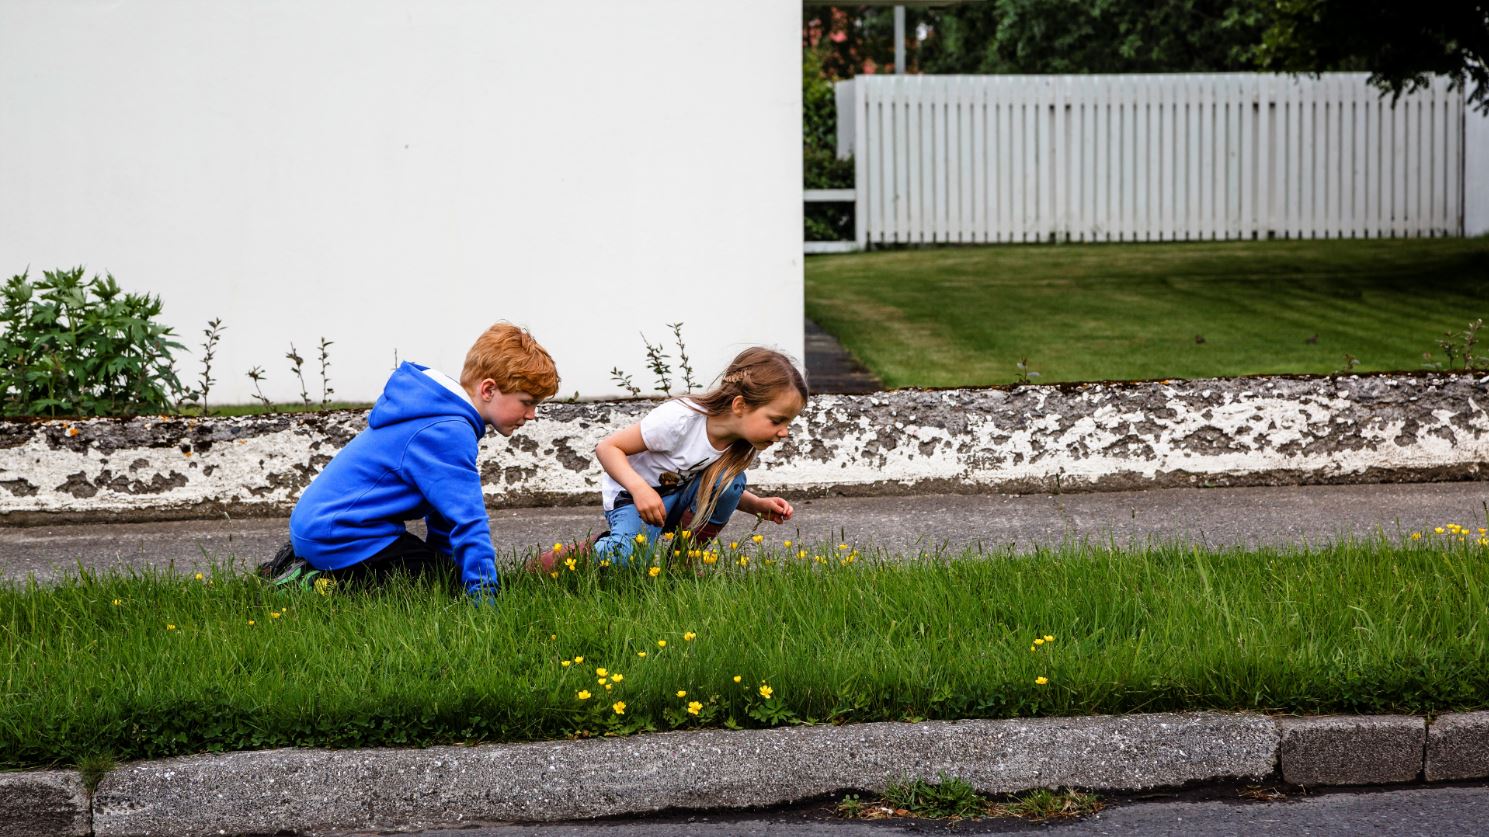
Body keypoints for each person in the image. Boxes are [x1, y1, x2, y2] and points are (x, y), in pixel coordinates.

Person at [260, 322, 559, 597]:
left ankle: (298, 564)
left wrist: (443, 564)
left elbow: (444, 511)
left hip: (326, 526)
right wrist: (485, 599)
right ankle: (314, 583)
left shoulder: (439, 416)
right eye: (527, 402)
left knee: (442, 577)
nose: (532, 415)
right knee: (431, 589)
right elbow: (469, 522)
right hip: (340, 535)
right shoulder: (447, 431)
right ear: (489, 389)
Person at [535, 347, 807, 571]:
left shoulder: (736, 442)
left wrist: (757, 505)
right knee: (628, 558)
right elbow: (608, 448)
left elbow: (711, 483)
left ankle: (681, 563)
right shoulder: (679, 420)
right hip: (634, 500)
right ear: (740, 406)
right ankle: (565, 558)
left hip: (675, 499)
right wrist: (639, 489)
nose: (784, 433)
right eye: (777, 420)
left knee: (732, 481)